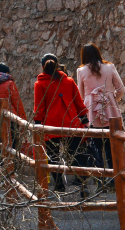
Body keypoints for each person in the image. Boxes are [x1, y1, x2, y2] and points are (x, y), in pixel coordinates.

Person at [34, 54, 88, 194]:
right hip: (71, 123)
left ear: (42, 66)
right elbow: (78, 102)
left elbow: (39, 107)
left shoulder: (40, 84)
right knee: (76, 156)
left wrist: (37, 124)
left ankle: (59, 186)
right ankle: (83, 186)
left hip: (51, 126)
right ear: (58, 65)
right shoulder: (69, 81)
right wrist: (85, 120)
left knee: (53, 157)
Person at [76, 43, 125, 173]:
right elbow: (121, 89)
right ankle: (116, 177)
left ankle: (101, 179)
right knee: (112, 146)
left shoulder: (81, 71)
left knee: (95, 148)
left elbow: (80, 95)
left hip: (91, 112)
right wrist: (112, 98)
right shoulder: (110, 67)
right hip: (110, 111)